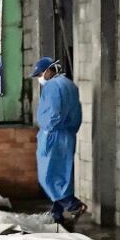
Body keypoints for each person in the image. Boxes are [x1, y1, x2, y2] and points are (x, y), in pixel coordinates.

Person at [31, 56, 87, 228]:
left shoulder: (52, 86)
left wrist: (48, 127)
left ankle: (73, 205)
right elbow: (77, 113)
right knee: (62, 175)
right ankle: (57, 215)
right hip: (67, 135)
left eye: (41, 74)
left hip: (53, 135)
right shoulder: (69, 84)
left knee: (47, 176)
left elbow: (54, 113)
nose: (40, 78)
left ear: (49, 70)